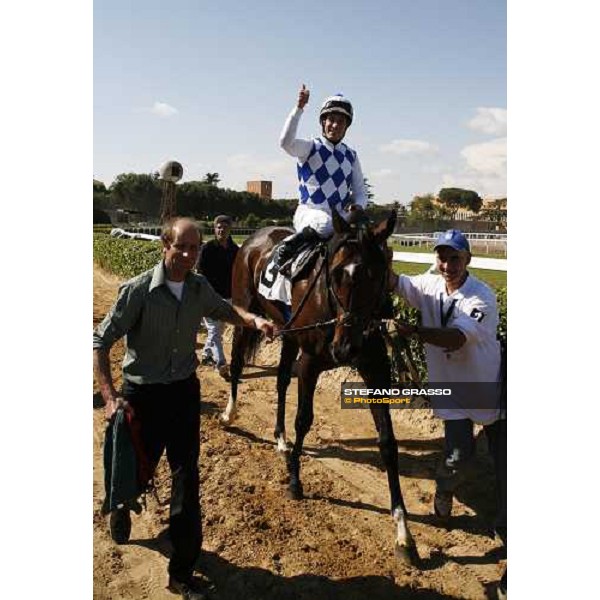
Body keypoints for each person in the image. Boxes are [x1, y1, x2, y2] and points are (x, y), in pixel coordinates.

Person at [93, 217, 274, 600]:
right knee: (137, 469)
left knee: (186, 479)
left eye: (195, 248)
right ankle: (123, 503)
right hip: (142, 395)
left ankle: (181, 571)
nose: (190, 255)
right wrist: (109, 398)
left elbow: (226, 311)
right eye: (182, 247)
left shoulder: (198, 287)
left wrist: (255, 319)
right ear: (165, 246)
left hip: (183, 396)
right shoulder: (139, 291)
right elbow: (100, 341)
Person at [388, 229, 506, 591]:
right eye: (442, 257)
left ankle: (507, 525)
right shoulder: (429, 283)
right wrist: (378, 256)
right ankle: (444, 488)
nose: (447, 264)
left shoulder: (481, 297)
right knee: (457, 454)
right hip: (449, 389)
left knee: (507, 463)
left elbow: (455, 337)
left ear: (467, 260)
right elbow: (394, 283)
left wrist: (409, 330)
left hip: (487, 387)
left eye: (455, 258)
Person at [273, 84, 368, 271]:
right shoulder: (310, 147)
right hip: (310, 213)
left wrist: (359, 206)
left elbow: (360, 191)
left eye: (341, 121)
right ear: (323, 122)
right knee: (326, 224)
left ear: (346, 126)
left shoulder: (351, 155)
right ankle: (289, 245)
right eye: (331, 119)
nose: (335, 125)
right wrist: (299, 109)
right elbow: (285, 143)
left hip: (339, 216)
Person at [196, 215, 239, 378]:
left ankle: (207, 355)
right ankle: (220, 363)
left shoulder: (235, 250)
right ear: (214, 229)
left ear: (229, 229)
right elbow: (200, 272)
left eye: (224, 227)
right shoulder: (207, 249)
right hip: (210, 296)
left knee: (219, 330)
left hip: (228, 296)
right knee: (214, 329)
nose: (221, 230)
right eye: (218, 227)